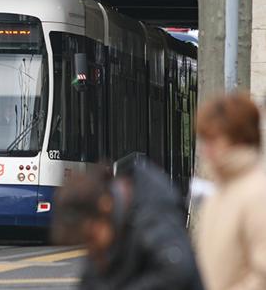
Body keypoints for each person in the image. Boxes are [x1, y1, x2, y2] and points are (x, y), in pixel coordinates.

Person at [54, 161, 203, 290]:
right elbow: (90, 282)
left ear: (105, 207)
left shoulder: (152, 214)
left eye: (90, 238)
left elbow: (177, 269)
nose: (91, 248)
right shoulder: (106, 231)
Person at [195, 93, 266, 290]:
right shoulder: (218, 194)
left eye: (214, 140)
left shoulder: (257, 194)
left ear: (240, 139)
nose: (205, 150)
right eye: (204, 140)